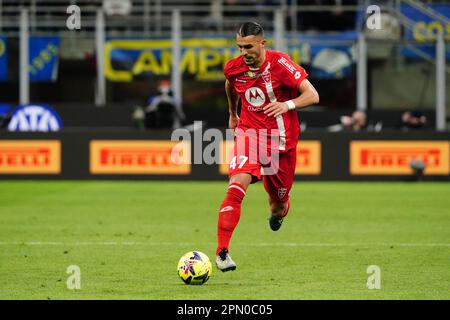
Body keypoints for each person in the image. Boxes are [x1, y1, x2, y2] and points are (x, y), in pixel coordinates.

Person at [216, 22, 319, 272]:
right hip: (249, 135)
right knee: (237, 183)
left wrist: (287, 105)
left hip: (281, 145)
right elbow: (230, 85)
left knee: (278, 205)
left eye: (249, 46)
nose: (244, 52)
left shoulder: (281, 64)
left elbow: (312, 95)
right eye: (240, 47)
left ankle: (278, 213)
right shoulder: (233, 67)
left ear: (263, 43)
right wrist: (233, 113)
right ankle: (222, 252)